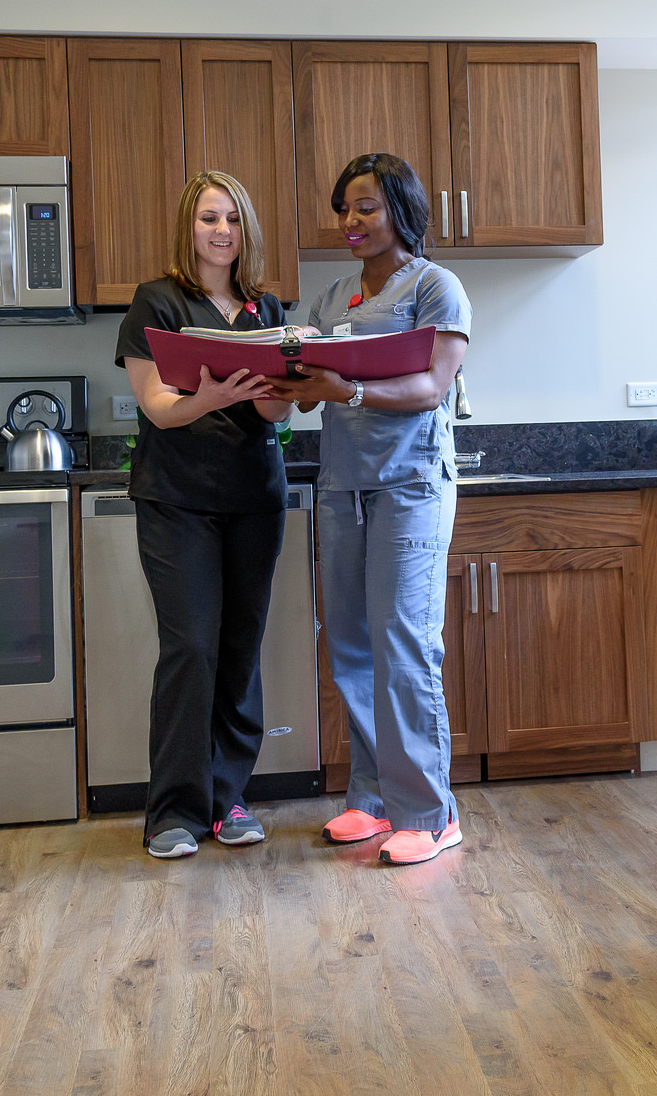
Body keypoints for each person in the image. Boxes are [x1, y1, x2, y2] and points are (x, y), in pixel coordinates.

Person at [267, 152, 472, 866]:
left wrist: (344, 390)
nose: (351, 221)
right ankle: (375, 799)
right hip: (342, 484)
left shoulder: (436, 288)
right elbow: (306, 382)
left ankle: (430, 811)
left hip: (410, 486)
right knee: (351, 643)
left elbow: (431, 385)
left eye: (366, 207)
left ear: (400, 210)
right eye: (344, 208)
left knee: (404, 643)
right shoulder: (330, 301)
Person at [116, 171, 296, 860]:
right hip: (177, 498)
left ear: (245, 231)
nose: (221, 231)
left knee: (239, 651)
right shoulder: (156, 303)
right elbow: (159, 406)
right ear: (188, 228)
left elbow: (274, 410)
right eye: (208, 218)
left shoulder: (266, 307)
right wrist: (212, 394)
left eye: (232, 220)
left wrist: (279, 383)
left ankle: (228, 798)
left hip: (254, 499)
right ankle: (173, 809)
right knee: (191, 646)